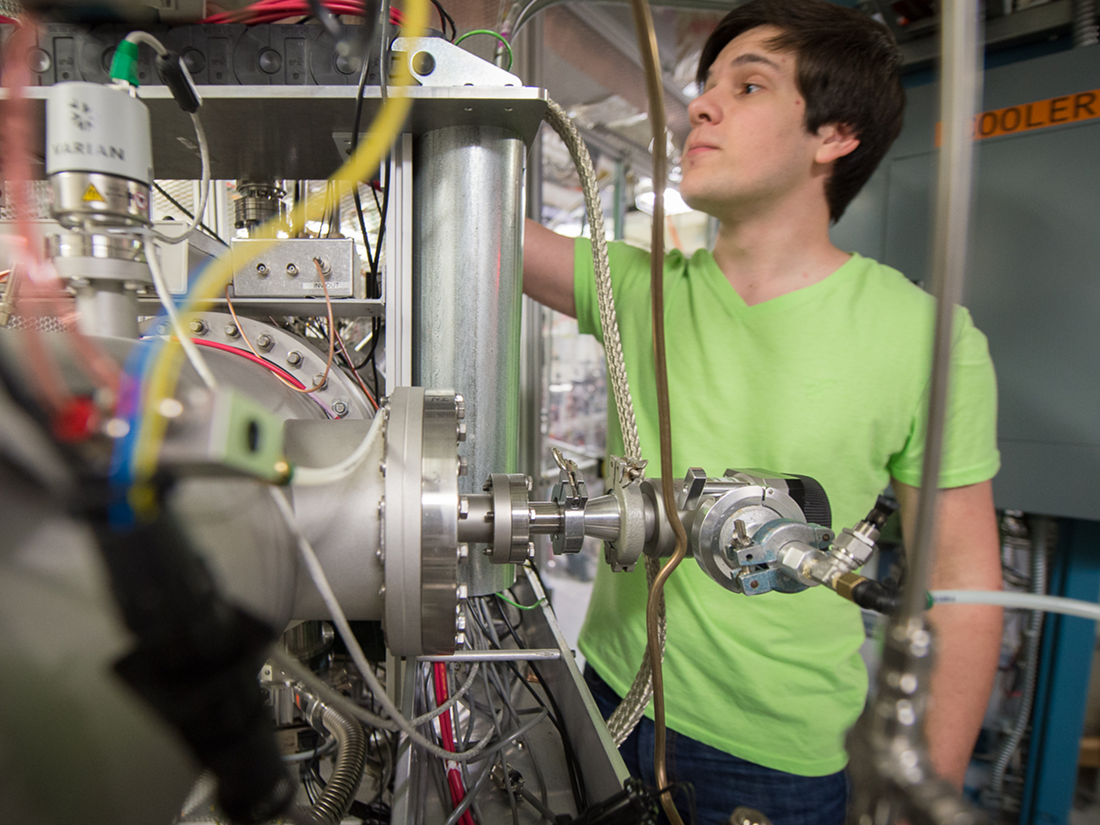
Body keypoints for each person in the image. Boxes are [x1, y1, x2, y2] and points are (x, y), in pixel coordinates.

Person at [522, 1, 1004, 823]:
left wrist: (929, 792)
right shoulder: (640, 289)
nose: (702, 107)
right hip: (606, 692)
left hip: (771, 757)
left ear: (835, 134)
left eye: (747, 86)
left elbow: (961, 583)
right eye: (706, 84)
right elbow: (481, 223)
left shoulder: (928, 338)